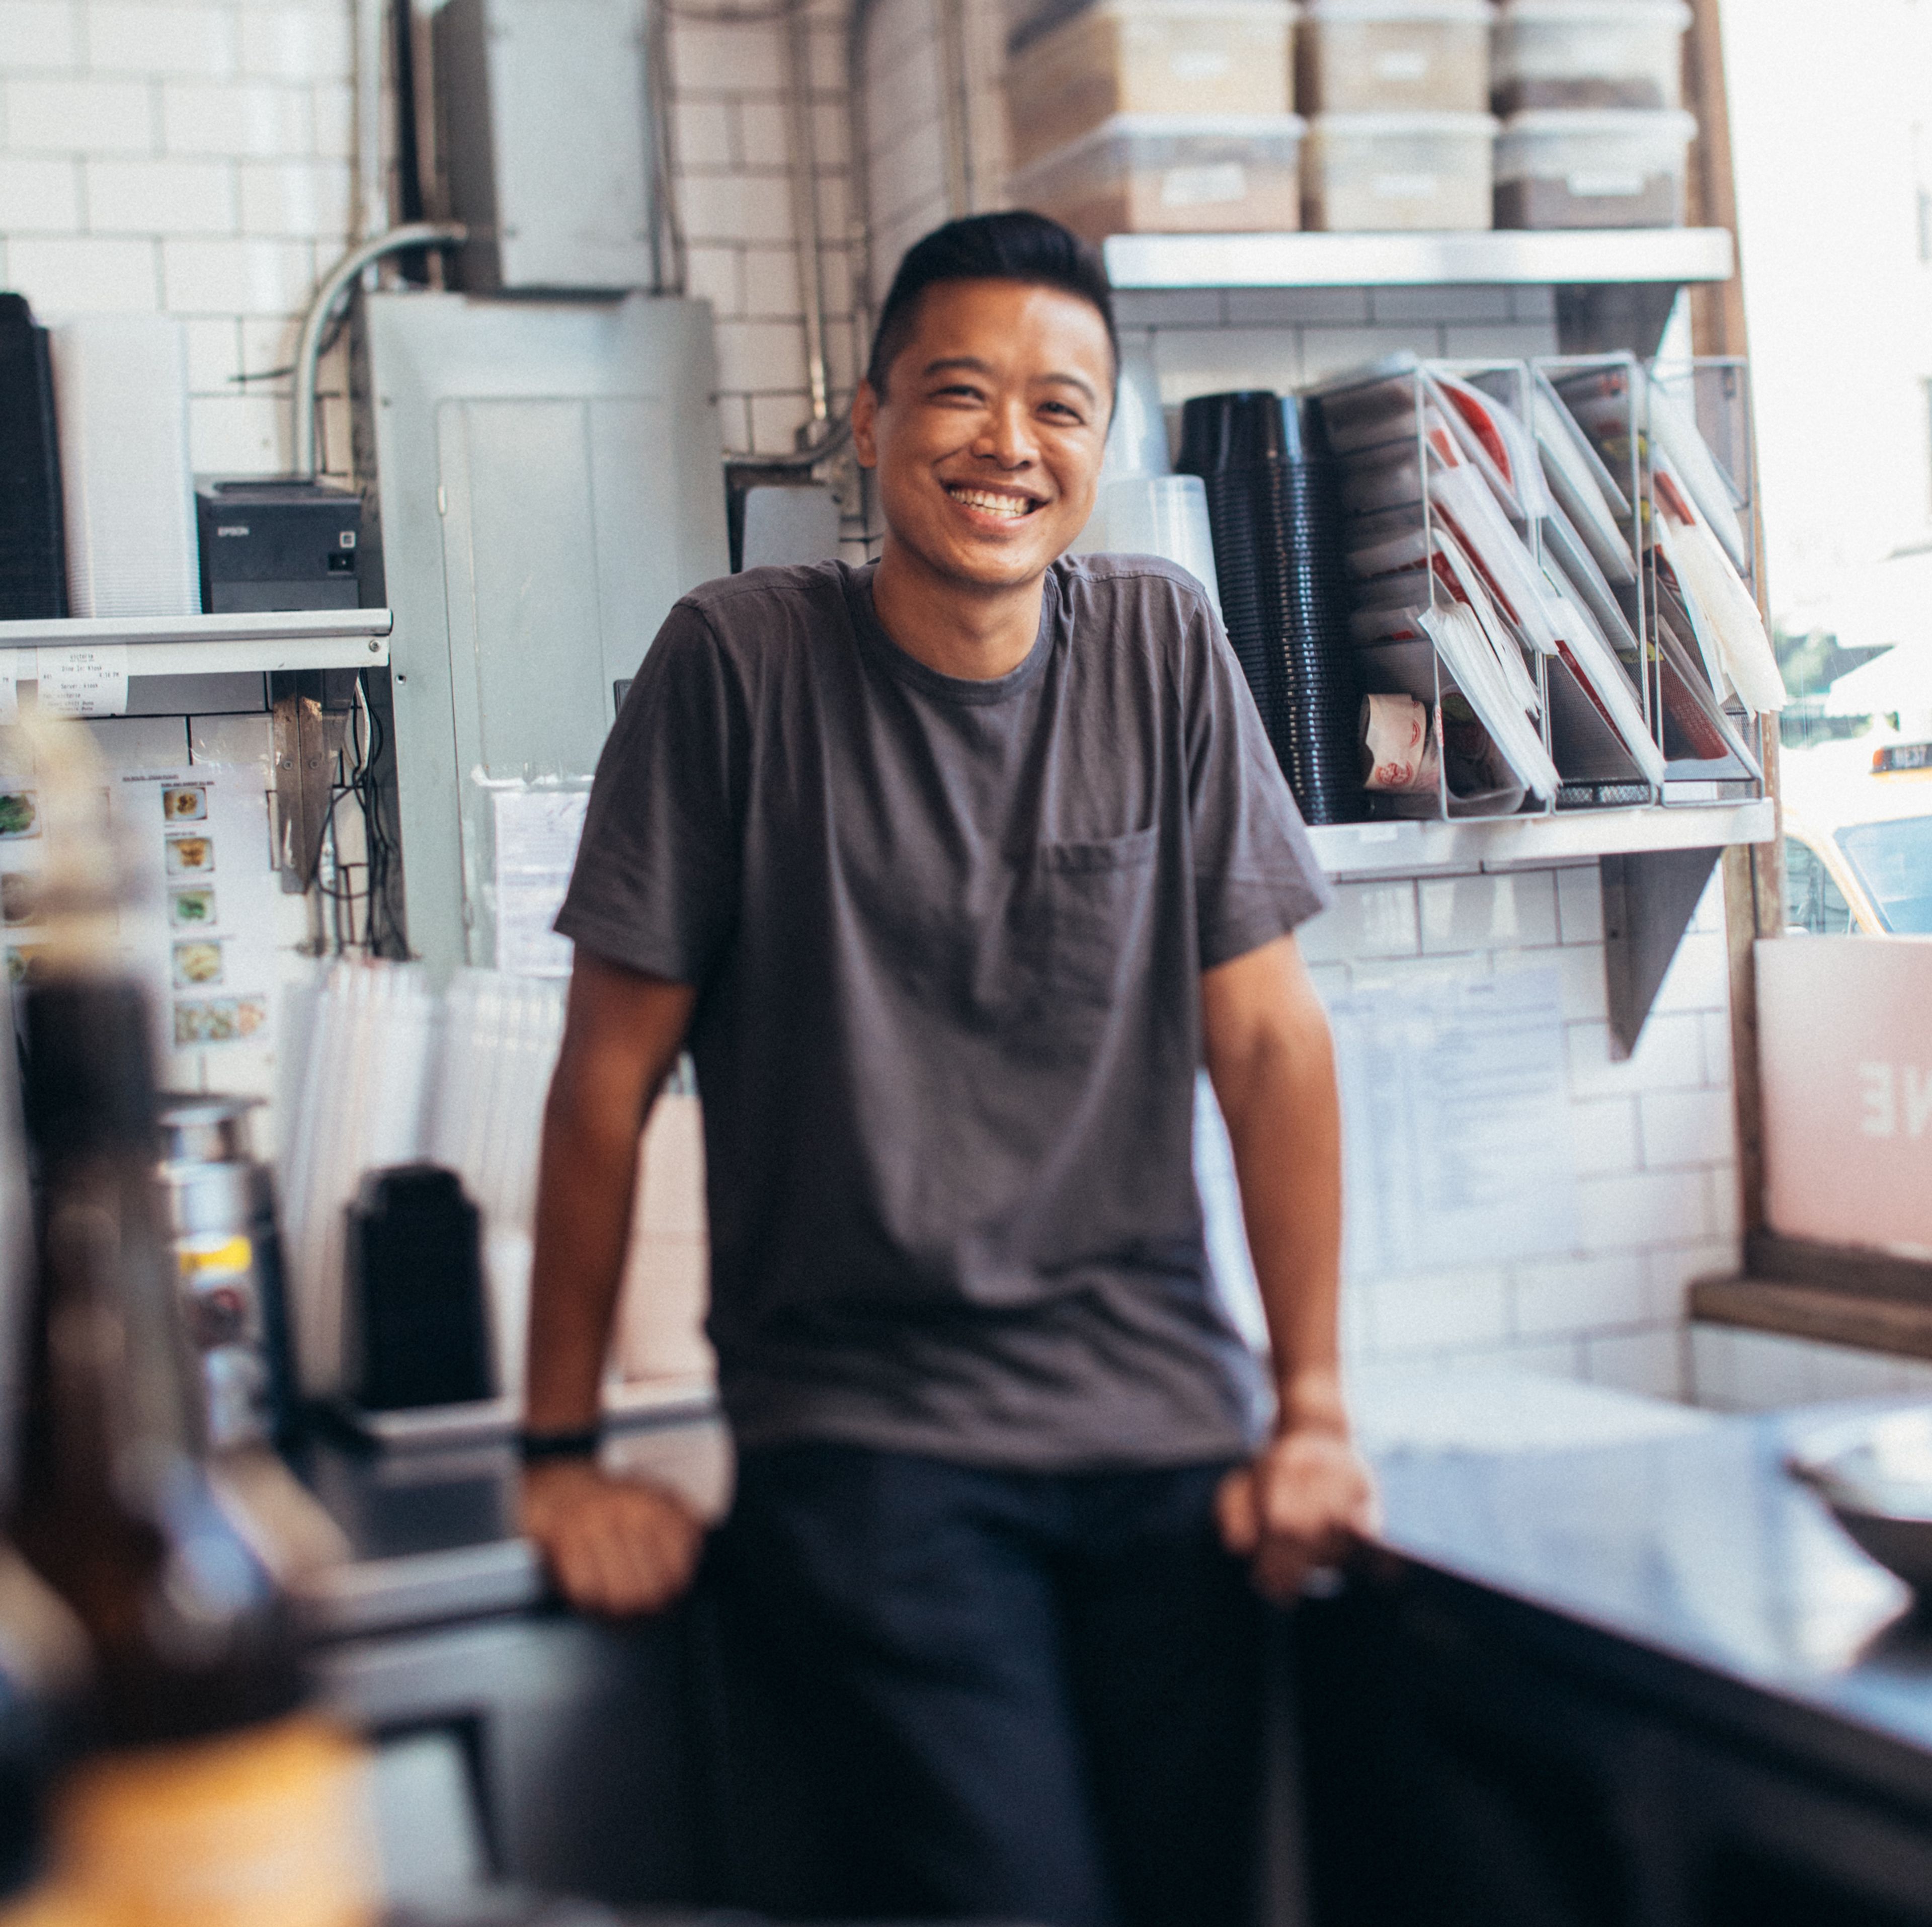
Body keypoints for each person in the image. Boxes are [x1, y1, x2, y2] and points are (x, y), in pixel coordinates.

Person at [518, 209, 1376, 1927]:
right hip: (875, 1450)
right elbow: (604, 1081)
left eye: (1061, 406)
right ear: (872, 416)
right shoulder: (738, 665)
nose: (1010, 443)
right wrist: (559, 1449)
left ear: (1105, 440)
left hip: (1161, 1438)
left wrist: (1313, 1410)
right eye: (960, 392)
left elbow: (1270, 1045)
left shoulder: (1161, 648)